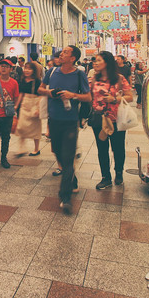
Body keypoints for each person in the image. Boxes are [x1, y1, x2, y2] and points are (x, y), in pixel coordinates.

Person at [39, 45, 90, 214]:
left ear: (73, 58)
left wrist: (72, 95)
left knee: (68, 158)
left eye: (66, 52)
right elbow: (40, 89)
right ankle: (72, 179)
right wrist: (50, 93)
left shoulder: (79, 74)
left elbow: (88, 96)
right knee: (58, 154)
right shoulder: (52, 72)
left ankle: (65, 197)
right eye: (62, 52)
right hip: (54, 121)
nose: (62, 53)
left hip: (70, 122)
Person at [90, 51, 134, 188]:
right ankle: (105, 177)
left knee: (118, 148)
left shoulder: (119, 78)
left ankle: (119, 173)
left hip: (116, 119)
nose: (95, 63)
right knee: (102, 149)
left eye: (98, 61)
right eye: (95, 61)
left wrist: (115, 99)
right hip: (99, 119)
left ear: (107, 63)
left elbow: (130, 96)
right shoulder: (93, 79)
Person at [14, 62, 41, 157]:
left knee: (35, 128)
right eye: (25, 68)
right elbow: (21, 93)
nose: (27, 71)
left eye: (29, 69)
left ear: (33, 70)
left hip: (35, 103)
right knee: (21, 127)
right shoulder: (22, 80)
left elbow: (40, 95)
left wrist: (38, 108)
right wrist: (16, 105)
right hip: (25, 104)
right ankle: (21, 148)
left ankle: (36, 148)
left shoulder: (37, 81)